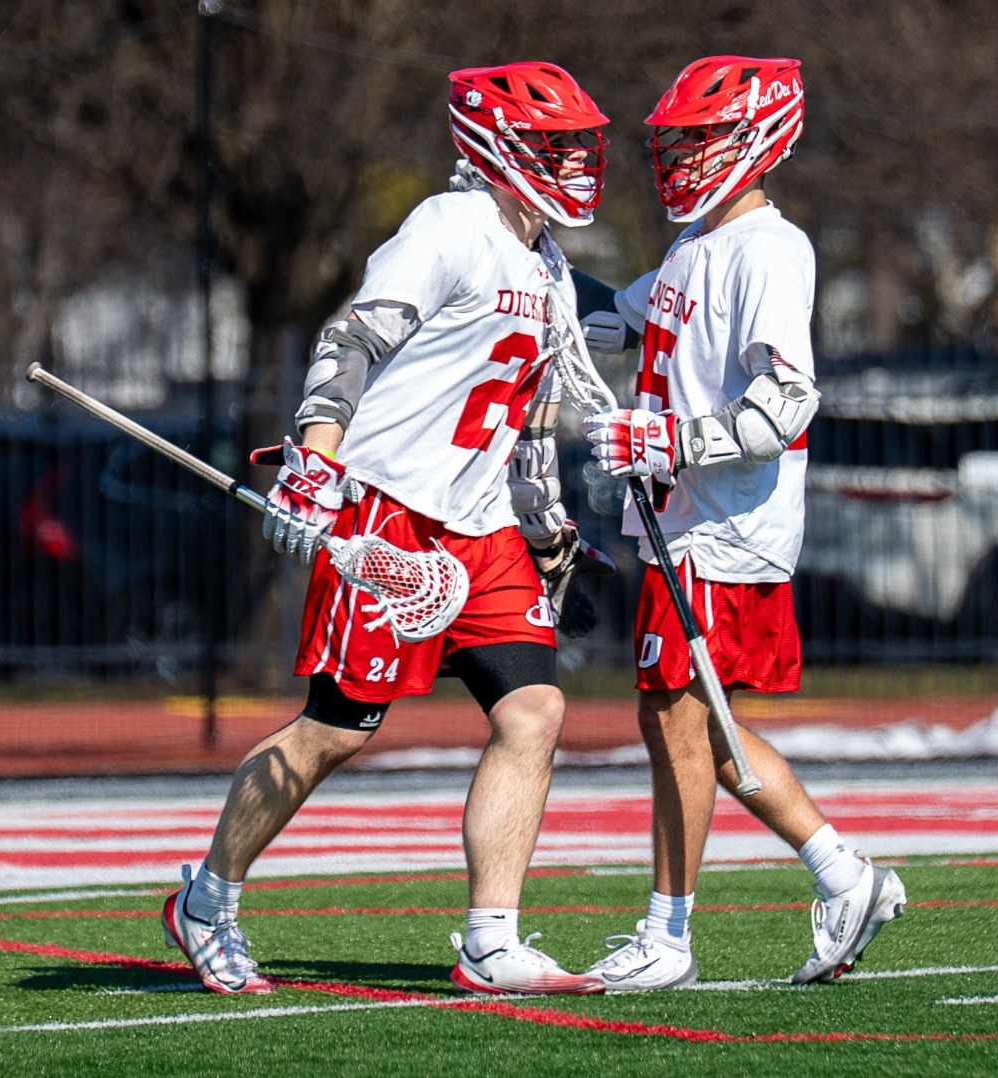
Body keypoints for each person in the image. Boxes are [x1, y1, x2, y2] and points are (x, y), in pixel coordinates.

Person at [162, 61, 615, 997]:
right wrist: (315, 458)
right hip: (390, 508)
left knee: (533, 712)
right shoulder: (449, 225)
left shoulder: (548, 265)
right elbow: (351, 338)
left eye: (578, 146)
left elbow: (536, 408)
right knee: (337, 730)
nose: (572, 162)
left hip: (480, 523)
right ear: (496, 145)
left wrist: (546, 528)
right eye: (553, 144)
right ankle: (207, 899)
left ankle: (491, 940)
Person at [576, 56, 906, 992]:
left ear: (756, 140)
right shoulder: (696, 245)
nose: (680, 158)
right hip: (684, 522)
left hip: (723, 528)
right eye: (676, 142)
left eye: (700, 140)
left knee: (674, 718)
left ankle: (668, 934)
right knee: (695, 727)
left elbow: (787, 403)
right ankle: (844, 878)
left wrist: (670, 441)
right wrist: (518, 256)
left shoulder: (768, 247)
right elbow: (611, 321)